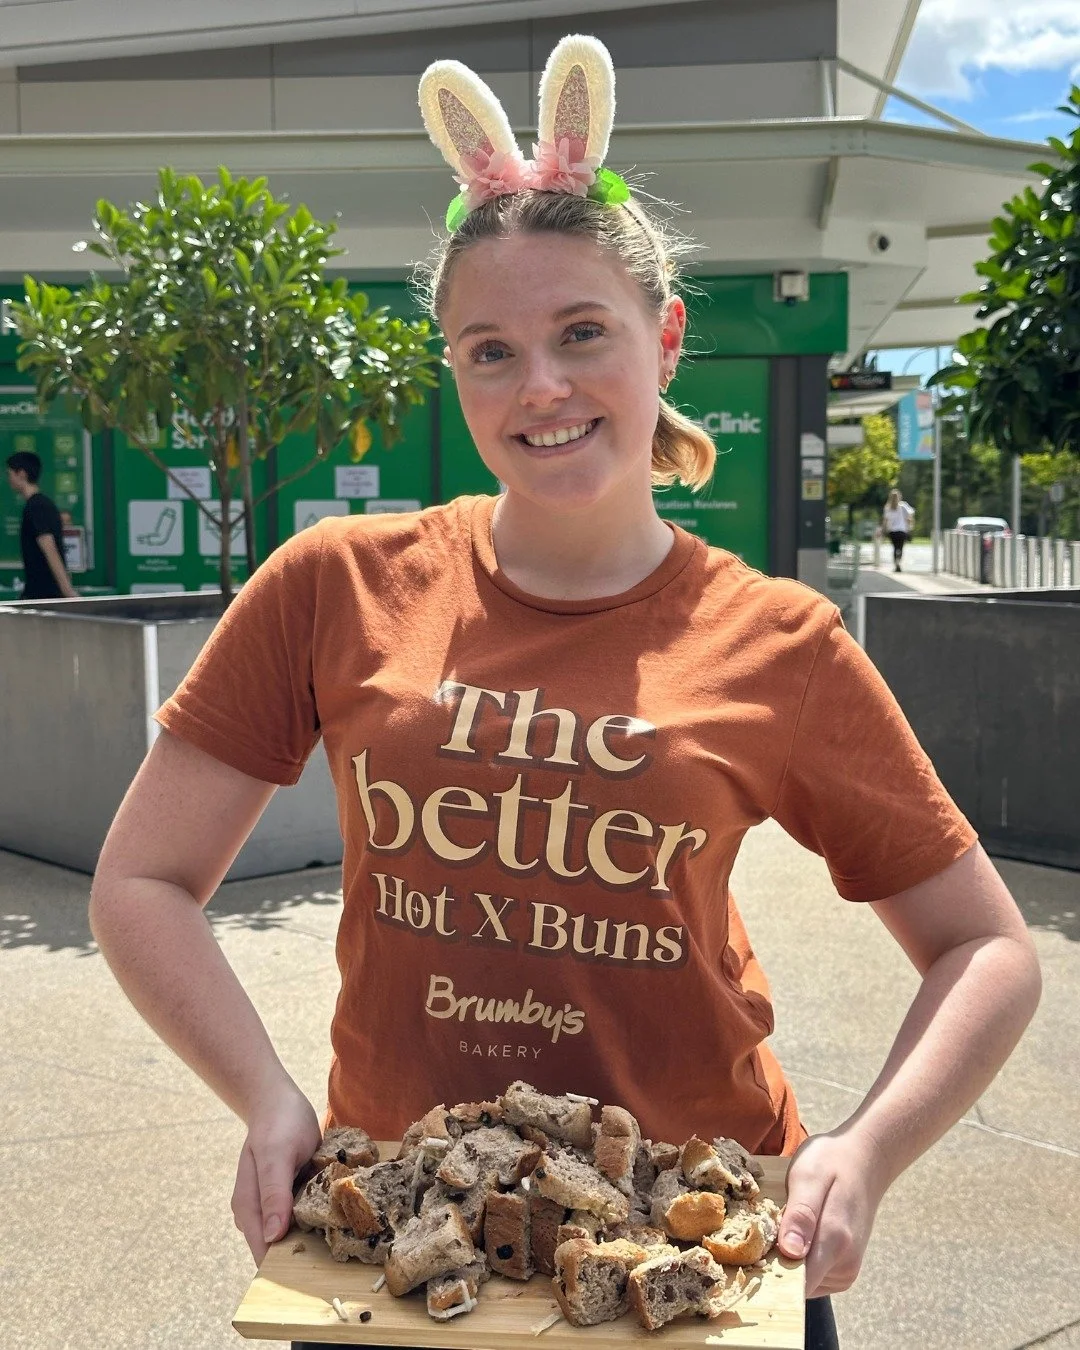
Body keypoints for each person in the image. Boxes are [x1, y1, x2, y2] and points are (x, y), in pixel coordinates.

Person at [87, 36, 1040, 1350]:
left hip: (699, 1253)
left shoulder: (781, 643)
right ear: (454, 366)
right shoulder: (335, 586)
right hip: (404, 1241)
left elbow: (987, 948)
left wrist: (868, 1150)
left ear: (666, 337)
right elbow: (141, 881)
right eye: (491, 349)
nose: (540, 385)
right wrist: (265, 1099)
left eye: (581, 331)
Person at [5, 450, 78, 599]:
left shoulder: (36, 506)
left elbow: (49, 546)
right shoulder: (45, 504)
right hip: (42, 593)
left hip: (42, 595)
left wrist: (68, 591)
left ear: (22, 474)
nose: (9, 479)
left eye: (10, 474)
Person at [882, 488, 915, 572]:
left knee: (895, 547)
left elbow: (885, 521)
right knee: (900, 547)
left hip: (892, 531)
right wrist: (910, 527)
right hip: (902, 530)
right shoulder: (903, 506)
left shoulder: (887, 507)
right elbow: (910, 516)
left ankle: (895, 563)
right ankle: (898, 561)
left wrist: (884, 531)